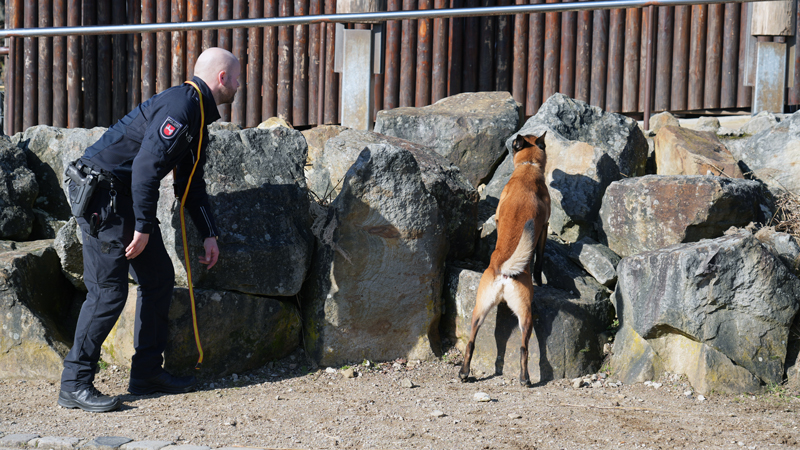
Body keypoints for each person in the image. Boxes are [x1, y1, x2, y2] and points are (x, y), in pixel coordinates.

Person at [58, 47, 241, 413]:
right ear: (222, 78)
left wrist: (209, 233)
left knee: (158, 277)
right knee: (108, 292)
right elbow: (145, 167)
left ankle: (146, 374)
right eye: (237, 77)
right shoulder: (181, 107)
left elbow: (190, 182)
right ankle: (74, 383)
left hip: (122, 197)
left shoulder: (197, 115)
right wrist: (143, 226)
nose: (240, 84)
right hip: (102, 195)